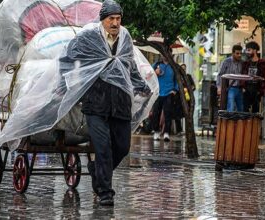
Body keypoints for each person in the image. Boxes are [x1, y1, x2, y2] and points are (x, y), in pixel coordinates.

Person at [60, 0, 150, 206]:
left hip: (120, 102)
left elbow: (129, 65)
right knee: (102, 148)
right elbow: (67, 58)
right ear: (103, 20)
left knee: (122, 147)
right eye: (111, 19)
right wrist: (65, 83)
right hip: (95, 102)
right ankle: (105, 191)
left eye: (118, 19)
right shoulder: (89, 37)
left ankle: (96, 172)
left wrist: (141, 85)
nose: (116, 23)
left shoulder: (126, 39)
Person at [151, 55, 179, 141]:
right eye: (163, 54)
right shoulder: (156, 64)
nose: (165, 56)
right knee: (156, 113)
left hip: (169, 93)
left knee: (168, 114)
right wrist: (155, 72)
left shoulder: (174, 66)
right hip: (158, 93)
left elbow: (177, 79)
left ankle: (166, 133)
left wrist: (175, 89)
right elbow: (148, 75)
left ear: (171, 54)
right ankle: (156, 132)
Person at [216, 44, 243, 112]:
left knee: (241, 109)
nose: (239, 55)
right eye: (237, 53)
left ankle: (240, 122)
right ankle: (229, 121)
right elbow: (220, 74)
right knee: (230, 107)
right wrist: (219, 87)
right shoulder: (226, 61)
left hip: (240, 88)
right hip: (231, 88)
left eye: (240, 53)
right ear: (233, 53)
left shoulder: (242, 62)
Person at [242, 41, 265, 113]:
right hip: (247, 88)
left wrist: (261, 90)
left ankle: (254, 124)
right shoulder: (246, 63)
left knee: (255, 111)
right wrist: (243, 87)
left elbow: (264, 77)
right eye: (247, 50)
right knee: (245, 110)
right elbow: (242, 75)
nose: (247, 52)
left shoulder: (262, 63)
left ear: (255, 50)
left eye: (249, 50)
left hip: (256, 89)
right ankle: (247, 124)